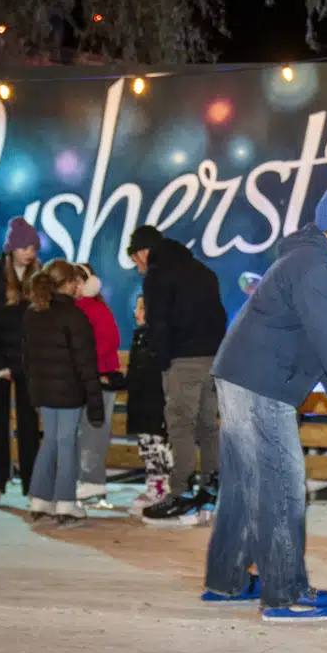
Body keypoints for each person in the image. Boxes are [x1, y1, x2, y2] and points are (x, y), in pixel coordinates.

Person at [203, 184, 327, 621]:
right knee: (281, 484)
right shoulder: (314, 265)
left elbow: (322, 345)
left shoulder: (306, 260)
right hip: (260, 384)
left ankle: (228, 581)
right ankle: (284, 593)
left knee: (245, 485)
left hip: (242, 376)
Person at [126, 224, 227, 524]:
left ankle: (181, 493)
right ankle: (211, 488)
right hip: (213, 359)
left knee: (181, 427)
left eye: (135, 259)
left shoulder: (159, 275)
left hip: (183, 361)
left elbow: (158, 323)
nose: (137, 267)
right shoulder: (203, 271)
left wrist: (161, 359)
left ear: (144, 251)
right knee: (209, 426)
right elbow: (221, 316)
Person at [22, 259, 105, 527]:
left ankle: (40, 498)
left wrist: (33, 391)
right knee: (67, 442)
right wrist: (95, 400)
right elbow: (86, 363)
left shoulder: (33, 313)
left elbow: (27, 359)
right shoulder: (74, 316)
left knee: (51, 441)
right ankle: (66, 502)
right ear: (68, 284)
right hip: (69, 392)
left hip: (43, 391)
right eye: (75, 281)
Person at [0, 217, 43, 506]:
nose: (29, 252)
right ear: (12, 248)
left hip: (30, 362)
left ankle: (32, 485)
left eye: (33, 247)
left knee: (29, 425)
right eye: (24, 247)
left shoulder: (40, 277)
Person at [71, 262, 123, 508]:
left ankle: (92, 481)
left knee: (93, 432)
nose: (76, 287)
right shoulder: (73, 309)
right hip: (82, 379)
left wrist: (88, 367)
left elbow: (109, 341)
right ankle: (86, 481)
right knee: (84, 433)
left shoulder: (95, 309)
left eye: (79, 282)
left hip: (98, 380)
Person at [126, 294, 174, 512]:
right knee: (147, 447)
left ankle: (162, 489)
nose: (136, 313)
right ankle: (154, 486)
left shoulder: (160, 340)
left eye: (140, 308)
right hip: (141, 406)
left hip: (156, 406)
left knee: (159, 448)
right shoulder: (139, 337)